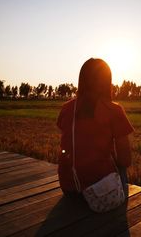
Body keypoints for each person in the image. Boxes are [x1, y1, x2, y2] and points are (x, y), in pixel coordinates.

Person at [56, 58, 134, 197]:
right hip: (101, 191)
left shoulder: (67, 108)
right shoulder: (113, 110)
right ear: (107, 81)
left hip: (69, 187)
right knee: (121, 169)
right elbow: (125, 159)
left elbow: (68, 142)